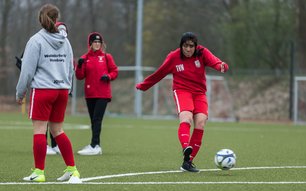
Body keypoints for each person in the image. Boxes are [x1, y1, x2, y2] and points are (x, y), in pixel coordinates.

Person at [136, 32, 229, 172]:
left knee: (201, 122)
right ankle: (186, 147)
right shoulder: (173, 57)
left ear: (195, 47)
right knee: (186, 117)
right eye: (185, 46)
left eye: (191, 46)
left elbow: (214, 61)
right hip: (182, 91)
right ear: (181, 46)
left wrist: (221, 66)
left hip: (199, 93)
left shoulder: (202, 53)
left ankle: (187, 162)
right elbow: (160, 73)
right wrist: (144, 85)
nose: (188, 49)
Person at [15, 4, 80, 183]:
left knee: (39, 130)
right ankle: (72, 170)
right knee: (58, 130)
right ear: (56, 18)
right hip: (62, 91)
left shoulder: (36, 40)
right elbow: (70, 68)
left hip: (43, 91)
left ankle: (39, 172)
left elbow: (27, 71)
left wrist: (20, 92)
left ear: (40, 19)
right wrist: (70, 89)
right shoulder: (65, 41)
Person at [75, 32, 118, 155]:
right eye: (95, 42)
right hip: (90, 94)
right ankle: (94, 144)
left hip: (103, 94)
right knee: (93, 120)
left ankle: (95, 145)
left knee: (97, 119)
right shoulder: (85, 58)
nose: (97, 44)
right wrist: (79, 65)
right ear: (90, 44)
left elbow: (115, 71)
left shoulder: (106, 57)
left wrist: (108, 76)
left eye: (99, 42)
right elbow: (80, 76)